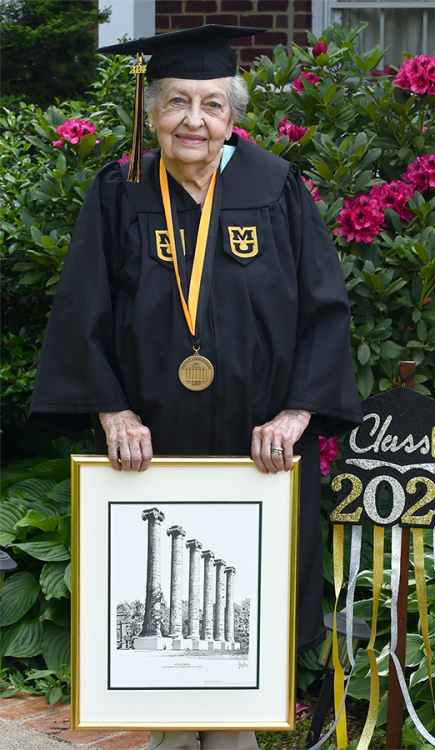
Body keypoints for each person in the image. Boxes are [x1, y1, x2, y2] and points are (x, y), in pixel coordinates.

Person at [29, 24, 363, 750]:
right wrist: (112, 409)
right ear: (150, 113)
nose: (193, 121)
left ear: (232, 116)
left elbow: (323, 309)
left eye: (212, 105)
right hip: (153, 457)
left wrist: (299, 412)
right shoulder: (119, 191)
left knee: (243, 668)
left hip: (261, 458)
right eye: (176, 102)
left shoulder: (276, 187)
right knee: (169, 673)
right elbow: (85, 309)